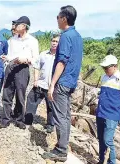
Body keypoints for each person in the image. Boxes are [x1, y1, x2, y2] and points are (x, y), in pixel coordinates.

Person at [42, 5, 83, 162]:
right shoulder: (77, 36)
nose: (57, 20)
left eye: (58, 17)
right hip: (71, 82)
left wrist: (52, 84)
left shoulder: (65, 36)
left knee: (60, 117)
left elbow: (62, 61)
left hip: (62, 82)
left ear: (64, 19)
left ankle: (61, 150)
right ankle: (63, 146)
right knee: (65, 116)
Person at [0, 16, 39, 129]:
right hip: (10, 67)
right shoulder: (12, 40)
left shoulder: (32, 41)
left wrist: (27, 60)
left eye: (17, 24)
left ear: (24, 26)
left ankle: (19, 119)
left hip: (23, 68)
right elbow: (9, 55)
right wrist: (6, 57)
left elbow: (36, 58)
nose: (15, 26)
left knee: (20, 95)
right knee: (7, 94)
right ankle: (5, 119)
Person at [96, 54, 120, 164]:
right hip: (101, 113)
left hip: (112, 115)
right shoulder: (104, 77)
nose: (105, 70)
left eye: (107, 68)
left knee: (107, 140)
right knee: (101, 140)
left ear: (115, 66)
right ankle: (102, 160)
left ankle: (112, 162)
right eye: (104, 68)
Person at [24, 34, 60, 133]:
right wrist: (35, 80)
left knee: (51, 106)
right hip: (41, 84)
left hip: (53, 87)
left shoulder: (60, 57)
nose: (54, 43)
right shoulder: (43, 54)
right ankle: (28, 120)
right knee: (31, 99)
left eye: (57, 42)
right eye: (53, 41)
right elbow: (36, 66)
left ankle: (50, 124)